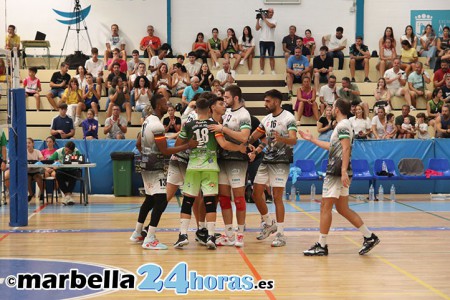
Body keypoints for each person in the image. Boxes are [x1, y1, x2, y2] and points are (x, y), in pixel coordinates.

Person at [300, 98, 380, 256]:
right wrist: (313, 140)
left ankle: (321, 245)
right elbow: (333, 147)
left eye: (332, 107)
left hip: (336, 171)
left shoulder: (343, 125)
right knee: (342, 208)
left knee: (325, 207)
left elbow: (346, 148)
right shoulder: (343, 126)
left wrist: (343, 171)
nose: (330, 109)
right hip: (340, 169)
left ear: (337, 110)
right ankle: (369, 236)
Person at [173, 97, 247, 250]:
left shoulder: (188, 125)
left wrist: (189, 144)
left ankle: (182, 235)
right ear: (209, 110)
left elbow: (177, 145)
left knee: (188, 201)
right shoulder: (214, 126)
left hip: (193, 167)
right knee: (209, 201)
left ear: (196, 110)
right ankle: (211, 236)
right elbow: (224, 144)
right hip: (210, 167)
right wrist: (239, 148)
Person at [130, 94, 197, 250]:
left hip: (145, 165)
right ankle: (150, 238)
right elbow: (166, 151)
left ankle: (137, 232)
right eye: (165, 103)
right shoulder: (158, 126)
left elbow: (138, 143)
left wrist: (146, 155)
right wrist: (188, 145)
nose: (168, 105)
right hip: (155, 167)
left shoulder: (147, 120)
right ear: (159, 106)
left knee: (150, 200)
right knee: (160, 200)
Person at [247, 89, 297, 247]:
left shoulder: (289, 118)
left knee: (276, 197)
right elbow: (256, 136)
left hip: (281, 161)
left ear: (276, 101)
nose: (265, 104)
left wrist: (281, 138)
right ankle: (269, 223)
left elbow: (294, 140)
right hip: (267, 160)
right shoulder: (267, 119)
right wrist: (249, 144)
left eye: (268, 101)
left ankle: (281, 234)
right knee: (256, 193)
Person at [207, 85, 251, 247]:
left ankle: (240, 234)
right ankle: (229, 234)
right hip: (222, 160)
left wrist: (223, 128)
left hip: (237, 160)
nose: (224, 100)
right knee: (224, 199)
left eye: (226, 97)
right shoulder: (225, 114)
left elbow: (244, 137)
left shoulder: (244, 114)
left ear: (236, 98)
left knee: (238, 198)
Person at [255, 8, 277, 75]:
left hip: (271, 41)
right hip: (262, 41)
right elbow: (257, 28)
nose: (271, 13)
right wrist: (258, 19)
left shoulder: (274, 20)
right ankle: (261, 70)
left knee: (271, 56)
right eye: (270, 12)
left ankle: (272, 70)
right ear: (267, 12)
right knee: (262, 56)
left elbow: (271, 26)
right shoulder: (262, 21)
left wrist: (264, 19)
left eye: (272, 12)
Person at [26, 138, 44, 203]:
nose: (27, 144)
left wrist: (40, 161)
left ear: (33, 144)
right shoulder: (24, 152)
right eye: (26, 143)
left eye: (29, 143)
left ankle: (42, 193)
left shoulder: (37, 151)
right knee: (26, 180)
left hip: (36, 171)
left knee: (39, 178)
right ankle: (31, 194)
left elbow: (42, 160)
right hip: (28, 171)